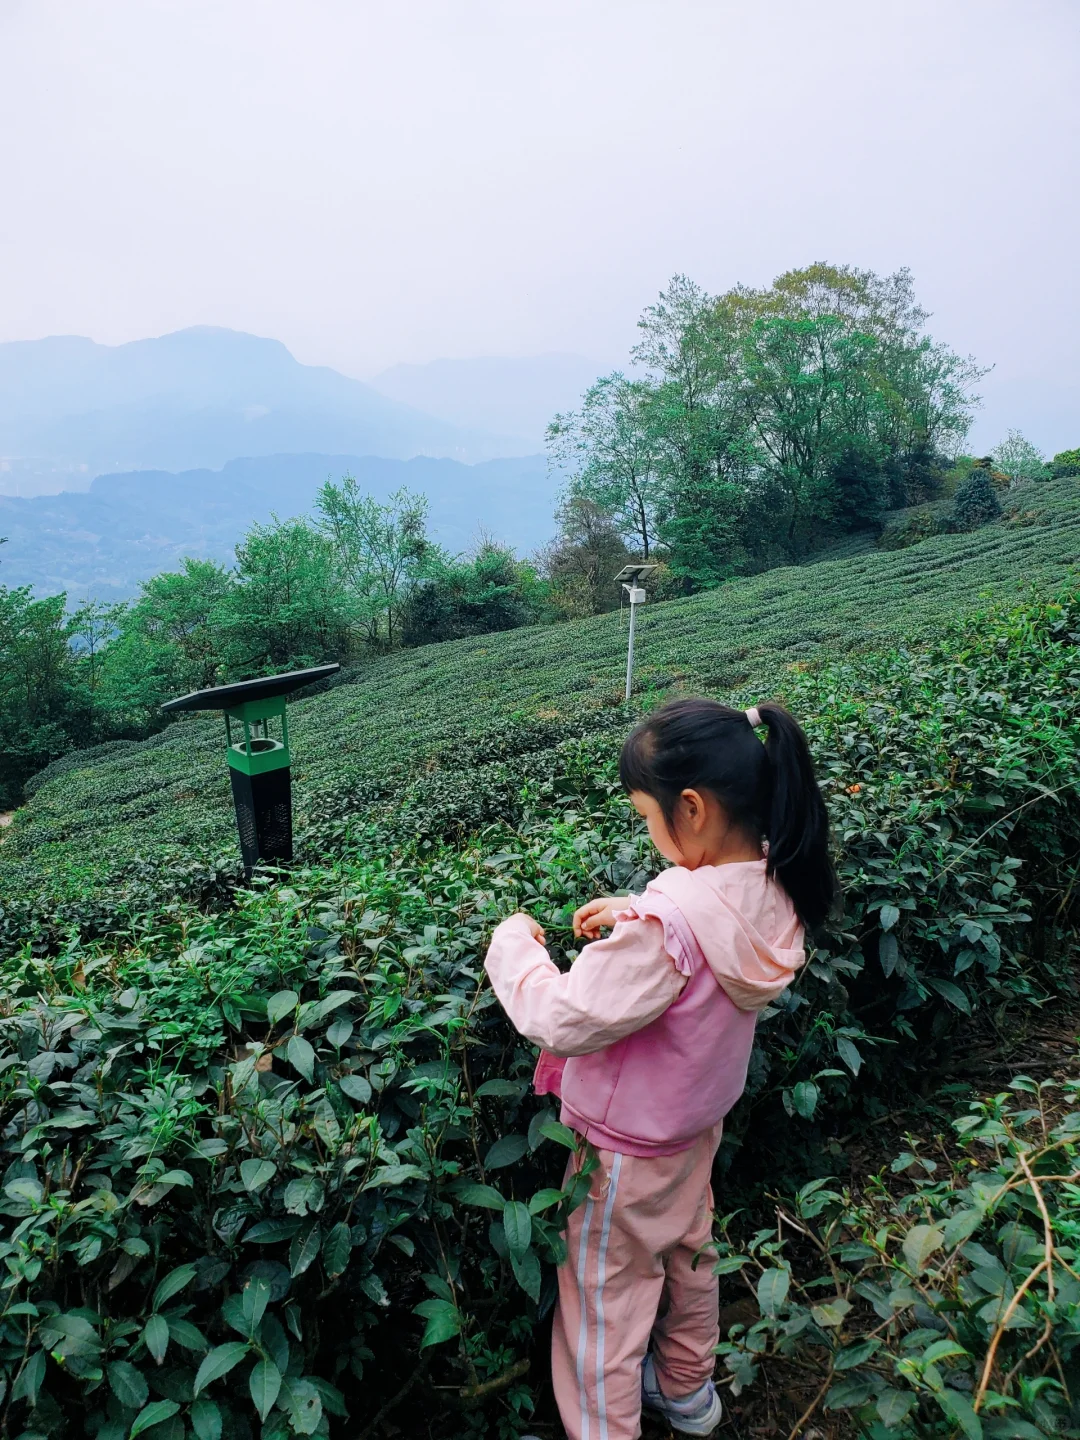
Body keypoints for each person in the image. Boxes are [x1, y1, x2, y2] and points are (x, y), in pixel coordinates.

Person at [485, 698, 837, 1440]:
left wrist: (512, 942)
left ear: (693, 808)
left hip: (623, 1155)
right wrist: (641, 909)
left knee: (602, 1305)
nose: (648, 832)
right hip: (693, 1133)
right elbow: (700, 926)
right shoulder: (773, 884)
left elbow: (562, 1017)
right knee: (690, 1261)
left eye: (647, 816)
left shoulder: (668, 929)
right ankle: (688, 1394)